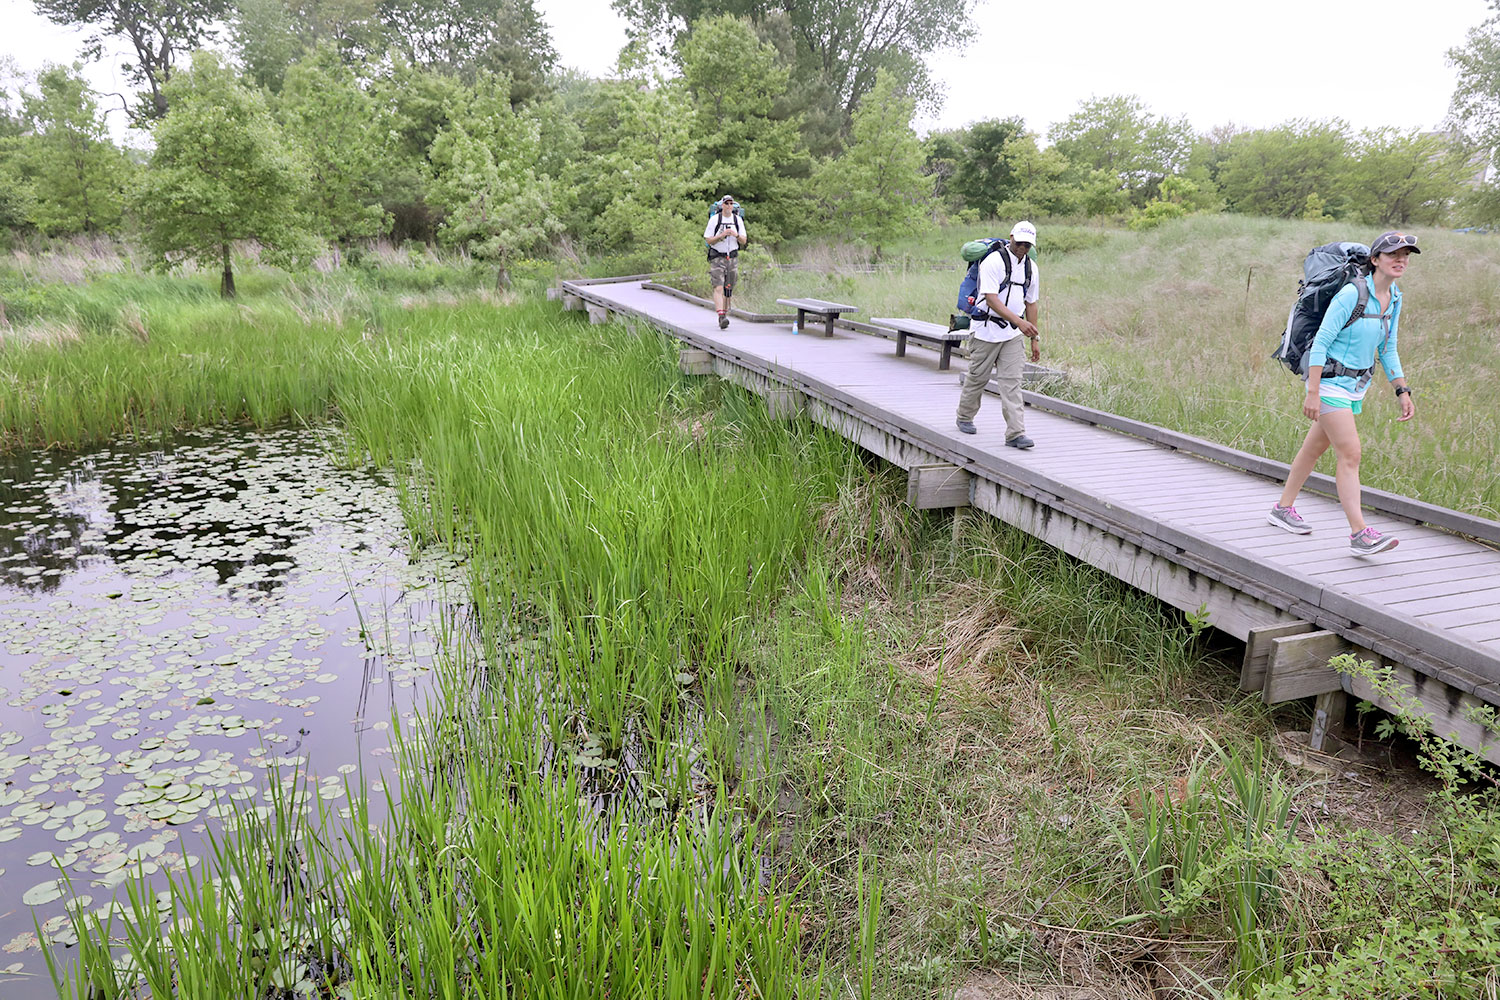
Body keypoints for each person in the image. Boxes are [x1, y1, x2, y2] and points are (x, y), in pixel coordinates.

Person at [1267, 231, 1418, 557]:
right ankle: (1359, 533)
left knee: (1312, 450)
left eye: (1406, 255)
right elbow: (1321, 342)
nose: (1401, 260)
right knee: (1350, 454)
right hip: (1330, 385)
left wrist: (1401, 389)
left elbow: (1387, 347)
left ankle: (1282, 508)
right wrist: (1313, 390)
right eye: (1393, 254)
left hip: (1354, 387)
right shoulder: (1352, 294)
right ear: (1375, 260)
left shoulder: (1394, 298)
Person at [955, 221, 1041, 448]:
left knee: (1011, 383)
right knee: (977, 377)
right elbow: (991, 299)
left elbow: (1031, 303)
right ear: (1011, 237)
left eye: (1027, 244)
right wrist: (1020, 322)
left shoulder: (1031, 267)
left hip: (1012, 334)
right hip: (985, 330)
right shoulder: (993, 261)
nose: (1022, 247)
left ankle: (1015, 433)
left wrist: (1034, 338)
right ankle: (964, 416)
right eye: (1019, 242)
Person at [704, 196, 747, 330]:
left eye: (730, 204)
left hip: (732, 257)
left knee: (729, 288)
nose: (728, 206)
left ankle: (725, 313)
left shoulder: (737, 220)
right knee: (718, 287)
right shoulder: (715, 219)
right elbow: (708, 240)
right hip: (717, 257)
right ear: (722, 205)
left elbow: (744, 241)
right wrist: (721, 236)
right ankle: (721, 316)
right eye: (726, 203)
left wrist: (735, 235)